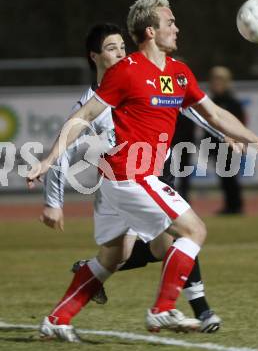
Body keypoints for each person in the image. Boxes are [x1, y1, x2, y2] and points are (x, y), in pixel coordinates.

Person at [27, 0, 258, 341]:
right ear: (151, 30)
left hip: (117, 182)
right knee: (194, 231)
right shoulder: (127, 71)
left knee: (114, 256)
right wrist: (48, 159)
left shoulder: (178, 73)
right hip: (131, 176)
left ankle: (58, 319)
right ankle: (162, 309)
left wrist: (257, 140)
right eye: (170, 22)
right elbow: (83, 117)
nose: (176, 28)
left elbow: (216, 115)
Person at [41, 23, 231, 341]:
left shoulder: (137, 80)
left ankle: (58, 318)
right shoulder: (92, 104)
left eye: (121, 46)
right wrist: (53, 202)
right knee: (183, 235)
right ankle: (169, 308)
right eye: (111, 48)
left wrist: (229, 135)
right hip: (123, 183)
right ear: (94, 57)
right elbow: (63, 150)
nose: (120, 52)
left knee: (122, 255)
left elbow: (198, 111)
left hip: (131, 182)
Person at [207, 66, 245, 214]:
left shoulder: (233, 102)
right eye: (214, 80)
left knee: (231, 177)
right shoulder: (211, 101)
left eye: (220, 80)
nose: (216, 84)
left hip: (231, 146)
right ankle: (229, 205)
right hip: (215, 146)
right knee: (223, 178)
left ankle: (236, 205)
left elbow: (240, 124)